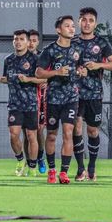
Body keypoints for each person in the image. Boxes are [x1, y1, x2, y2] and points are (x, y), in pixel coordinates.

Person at [35, 15, 87, 185]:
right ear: (58, 29)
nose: (72, 29)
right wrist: (56, 73)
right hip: (52, 99)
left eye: (73, 26)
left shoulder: (78, 48)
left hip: (71, 97)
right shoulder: (50, 50)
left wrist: (82, 70)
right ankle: (51, 170)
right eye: (67, 26)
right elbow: (39, 73)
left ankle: (64, 172)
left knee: (68, 133)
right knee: (51, 135)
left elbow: (82, 66)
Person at [73, 7, 112, 181]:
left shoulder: (101, 42)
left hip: (94, 94)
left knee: (93, 131)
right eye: (83, 20)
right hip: (74, 94)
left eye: (90, 20)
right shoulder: (72, 42)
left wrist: (99, 65)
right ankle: (80, 168)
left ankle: (92, 166)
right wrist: (76, 71)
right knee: (76, 129)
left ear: (95, 23)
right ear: (79, 22)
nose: (87, 23)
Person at [0, 30, 45, 176]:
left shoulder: (35, 59)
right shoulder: (8, 60)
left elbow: (44, 79)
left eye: (21, 39)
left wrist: (29, 79)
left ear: (27, 42)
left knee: (32, 135)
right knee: (14, 134)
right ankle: (20, 160)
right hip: (14, 104)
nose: (18, 41)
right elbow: (6, 78)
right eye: (15, 39)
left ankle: (32, 167)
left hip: (31, 103)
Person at [28, 29, 47, 174]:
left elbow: (50, 75)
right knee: (25, 132)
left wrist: (47, 81)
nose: (31, 43)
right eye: (29, 40)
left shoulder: (43, 57)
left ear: (38, 42)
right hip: (23, 100)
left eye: (34, 41)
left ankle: (40, 157)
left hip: (40, 98)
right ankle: (28, 162)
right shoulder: (19, 57)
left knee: (39, 130)